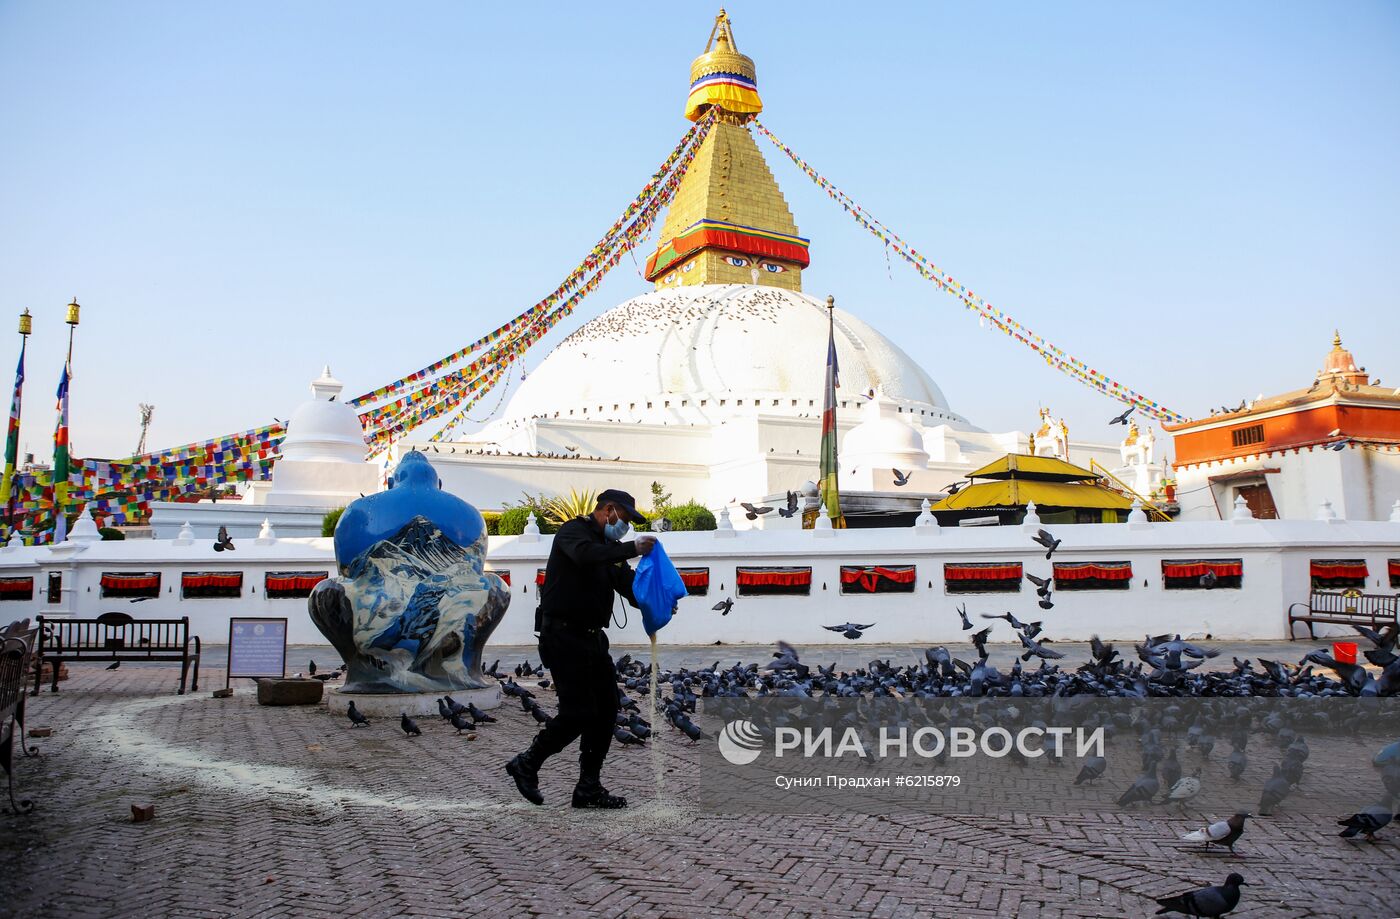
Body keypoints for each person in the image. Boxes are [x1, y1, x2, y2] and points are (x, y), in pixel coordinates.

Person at [505, 488, 655, 808]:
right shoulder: (573, 533)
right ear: (609, 510)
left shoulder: (610, 548)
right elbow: (586, 556)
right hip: (562, 636)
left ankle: (588, 787)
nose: (625, 525)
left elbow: (629, 587)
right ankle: (527, 763)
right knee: (578, 713)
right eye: (625, 518)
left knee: (606, 711)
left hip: (592, 639)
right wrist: (631, 548)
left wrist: (657, 601)